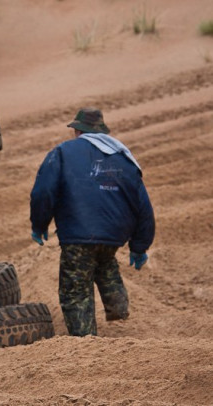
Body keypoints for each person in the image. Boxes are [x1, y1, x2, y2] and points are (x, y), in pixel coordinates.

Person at [29, 107, 155, 336]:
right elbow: (143, 206)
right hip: (113, 235)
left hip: (78, 234)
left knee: (75, 289)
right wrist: (139, 246)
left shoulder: (63, 152)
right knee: (104, 260)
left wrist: (39, 224)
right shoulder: (124, 158)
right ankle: (118, 307)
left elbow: (43, 192)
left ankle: (85, 339)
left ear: (77, 130)